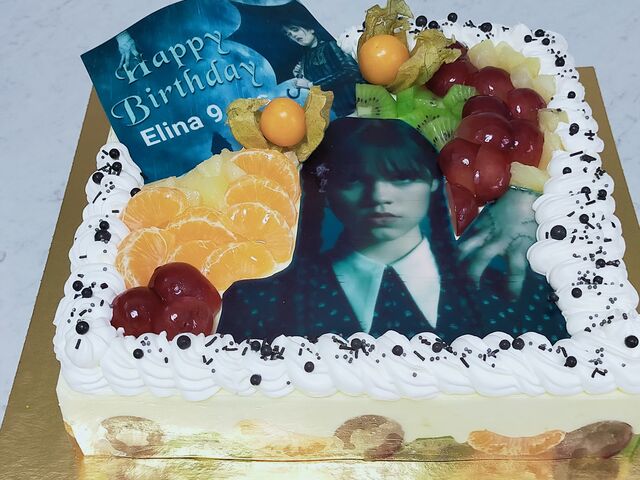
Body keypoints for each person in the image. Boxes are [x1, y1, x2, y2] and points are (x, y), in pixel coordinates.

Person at [217, 117, 568, 343]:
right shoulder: (254, 305)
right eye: (354, 180)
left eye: (402, 178)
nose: (380, 196)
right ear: (327, 190)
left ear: (433, 184)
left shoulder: (517, 295)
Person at [282, 20, 363, 117]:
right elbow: (322, 89)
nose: (294, 35)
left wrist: (310, 84)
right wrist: (302, 77)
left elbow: (351, 71)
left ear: (311, 29)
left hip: (363, 103)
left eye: (295, 30)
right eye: (289, 34)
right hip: (343, 112)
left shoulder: (331, 45)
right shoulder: (305, 60)